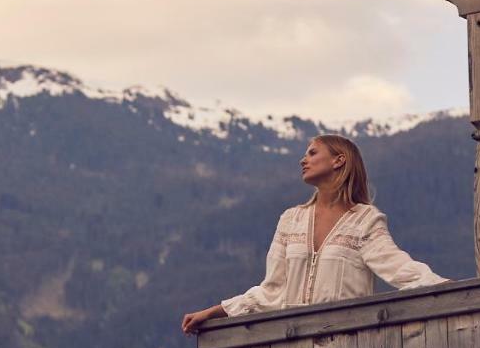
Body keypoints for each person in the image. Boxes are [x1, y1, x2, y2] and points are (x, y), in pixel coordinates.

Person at [181, 133, 447, 334]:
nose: (303, 160)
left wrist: (449, 290)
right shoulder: (291, 220)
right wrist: (217, 311)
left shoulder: (365, 220)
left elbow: (400, 268)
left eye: (312, 153)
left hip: (349, 347)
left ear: (338, 160)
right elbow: (273, 290)